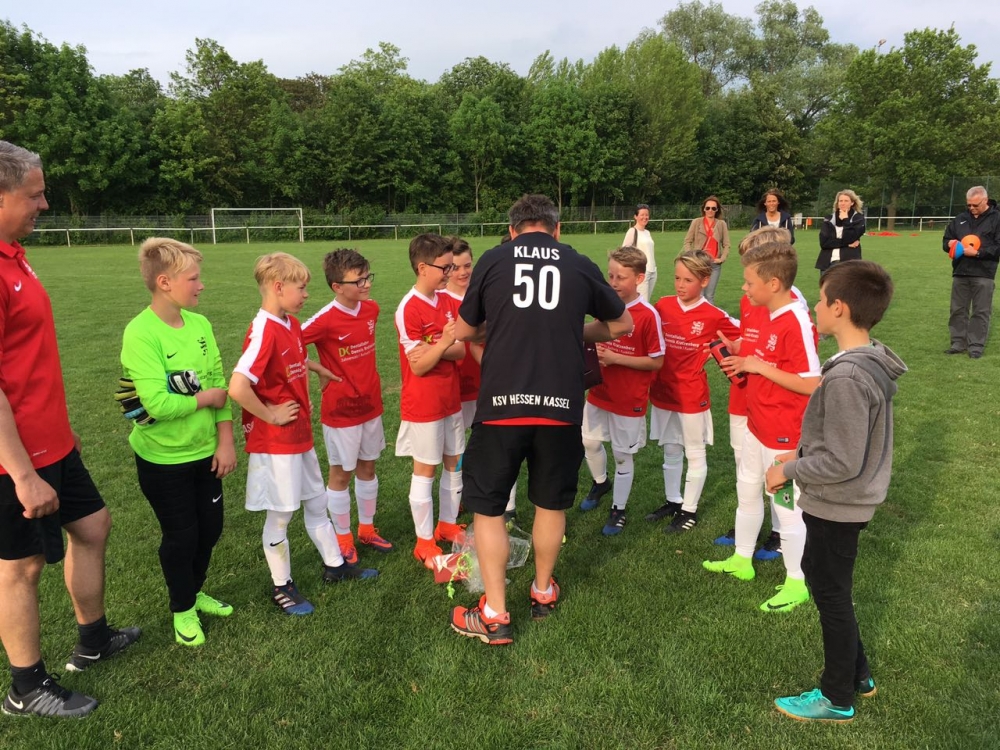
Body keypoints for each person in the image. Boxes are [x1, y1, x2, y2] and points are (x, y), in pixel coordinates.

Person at [449, 194, 632, 645]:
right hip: (560, 406)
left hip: (502, 406)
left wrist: (507, 326)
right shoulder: (578, 262)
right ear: (557, 228)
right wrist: (568, 329)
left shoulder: (494, 259)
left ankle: (494, 613)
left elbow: (466, 330)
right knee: (551, 504)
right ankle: (543, 591)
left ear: (512, 230)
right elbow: (622, 324)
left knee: (489, 509)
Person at [0, 140, 139, 718]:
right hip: (13, 457)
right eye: (34, 195)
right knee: (20, 567)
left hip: (51, 440)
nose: (45, 204)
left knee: (93, 525)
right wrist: (22, 474)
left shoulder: (14, 254)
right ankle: (26, 687)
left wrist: (59, 432)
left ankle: (93, 639)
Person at [769, 260, 906, 723]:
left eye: (821, 299)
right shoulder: (865, 360)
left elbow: (842, 460)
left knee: (830, 594)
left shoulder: (848, 377)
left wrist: (787, 469)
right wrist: (796, 458)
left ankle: (836, 696)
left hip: (839, 502)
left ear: (840, 308)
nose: (815, 307)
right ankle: (859, 675)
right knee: (827, 582)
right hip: (843, 501)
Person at [229, 252, 377, 618]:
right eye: (301, 287)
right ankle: (282, 586)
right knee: (281, 515)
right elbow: (238, 386)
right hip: (276, 442)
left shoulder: (289, 323)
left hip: (300, 435)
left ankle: (335, 565)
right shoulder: (263, 329)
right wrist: (271, 414)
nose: (306, 294)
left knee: (315, 503)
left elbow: (293, 356)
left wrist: (316, 368)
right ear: (278, 287)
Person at [120, 238, 236, 647]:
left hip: (206, 452)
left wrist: (225, 440)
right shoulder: (140, 332)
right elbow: (156, 403)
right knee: (182, 536)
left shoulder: (200, 325)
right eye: (193, 278)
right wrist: (206, 399)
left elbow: (219, 380)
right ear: (165, 282)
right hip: (162, 459)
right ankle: (183, 608)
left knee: (211, 529)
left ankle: (195, 589)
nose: (201, 285)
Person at [703, 241, 821, 613]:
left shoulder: (795, 320)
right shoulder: (761, 311)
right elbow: (755, 347)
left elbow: (812, 382)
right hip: (755, 423)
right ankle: (742, 559)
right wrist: (737, 348)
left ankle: (796, 582)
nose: (744, 287)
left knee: (786, 508)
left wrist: (757, 366)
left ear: (773, 284)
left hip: (783, 433)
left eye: (749, 281)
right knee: (747, 489)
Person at [301, 249, 393, 567]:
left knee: (368, 468)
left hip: (371, 405)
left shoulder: (371, 309)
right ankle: (343, 537)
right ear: (337, 286)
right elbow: (287, 343)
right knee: (341, 474)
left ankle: (367, 529)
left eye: (367, 277)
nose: (366, 284)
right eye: (359, 280)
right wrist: (318, 368)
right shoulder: (325, 320)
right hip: (341, 411)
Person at [645, 250, 739, 533]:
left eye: (688, 280)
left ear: (704, 280)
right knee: (671, 449)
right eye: (677, 278)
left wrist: (725, 351)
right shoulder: (662, 306)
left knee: (695, 453)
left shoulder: (714, 315)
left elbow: (744, 336)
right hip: (663, 391)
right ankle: (674, 500)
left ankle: (689, 510)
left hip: (691, 393)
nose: (680, 285)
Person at [578, 246, 664, 535]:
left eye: (621, 277)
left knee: (623, 455)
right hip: (599, 392)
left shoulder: (648, 315)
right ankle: (601, 483)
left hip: (629, 398)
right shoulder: (605, 307)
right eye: (610, 275)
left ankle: (619, 509)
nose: (613, 283)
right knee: (589, 442)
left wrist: (616, 359)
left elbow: (657, 361)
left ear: (639, 279)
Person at [393, 234, 467, 565]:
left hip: (450, 398)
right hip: (423, 404)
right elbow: (419, 366)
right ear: (423, 268)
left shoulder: (446, 301)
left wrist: (435, 347)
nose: (450, 273)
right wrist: (443, 344)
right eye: (445, 267)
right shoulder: (408, 308)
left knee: (454, 461)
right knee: (425, 469)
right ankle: (424, 541)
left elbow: (460, 350)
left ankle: (447, 525)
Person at [942, 185, 999, 359]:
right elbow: (946, 240)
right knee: (957, 309)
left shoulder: (997, 218)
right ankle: (958, 343)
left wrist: (978, 253)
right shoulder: (960, 219)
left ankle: (975, 346)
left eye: (975, 205)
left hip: (984, 272)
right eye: (969, 205)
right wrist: (950, 244)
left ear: (985, 200)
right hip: (960, 271)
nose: (972, 208)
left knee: (981, 311)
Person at [683, 196, 730, 304]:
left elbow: (727, 244)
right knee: (699, 294)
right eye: (708, 208)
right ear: (704, 209)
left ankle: (709, 315)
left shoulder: (721, 224)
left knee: (709, 295)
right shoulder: (696, 222)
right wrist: (692, 257)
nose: (710, 210)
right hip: (699, 264)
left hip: (714, 265)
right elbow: (687, 241)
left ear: (717, 210)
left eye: (713, 208)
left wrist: (722, 258)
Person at [817, 190, 865, 273]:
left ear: (852, 203)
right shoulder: (829, 219)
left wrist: (845, 220)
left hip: (849, 263)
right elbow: (824, 243)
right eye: (840, 201)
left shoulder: (858, 219)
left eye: (846, 201)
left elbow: (850, 238)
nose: (843, 203)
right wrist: (847, 244)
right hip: (827, 263)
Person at [622, 204, 657, 300]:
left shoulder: (647, 232)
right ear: (636, 216)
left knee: (646, 301)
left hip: (652, 271)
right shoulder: (632, 231)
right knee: (642, 302)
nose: (645, 217)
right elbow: (624, 252)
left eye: (647, 215)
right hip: (642, 272)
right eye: (642, 215)